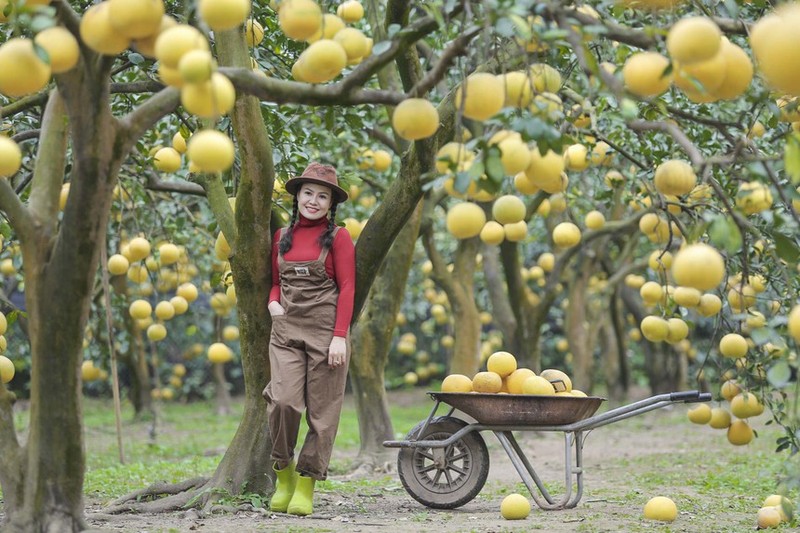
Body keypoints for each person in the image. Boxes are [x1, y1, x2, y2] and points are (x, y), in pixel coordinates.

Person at [263, 162, 355, 516]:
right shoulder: (281, 236)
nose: (313, 201)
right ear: (297, 196)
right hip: (286, 329)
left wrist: (339, 337)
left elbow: (347, 288)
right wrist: (273, 304)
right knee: (283, 402)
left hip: (325, 331)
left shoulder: (339, 237)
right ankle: (282, 473)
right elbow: (275, 281)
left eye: (322, 196)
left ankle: (305, 484)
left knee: (323, 413)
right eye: (308, 193)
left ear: (331, 203)